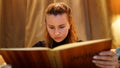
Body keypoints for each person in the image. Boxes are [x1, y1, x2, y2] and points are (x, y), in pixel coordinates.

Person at [33, 2, 119, 68]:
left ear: (69, 24)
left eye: (62, 27)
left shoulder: (82, 48)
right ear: (46, 25)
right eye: (51, 27)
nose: (56, 33)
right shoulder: (37, 49)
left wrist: (115, 65)